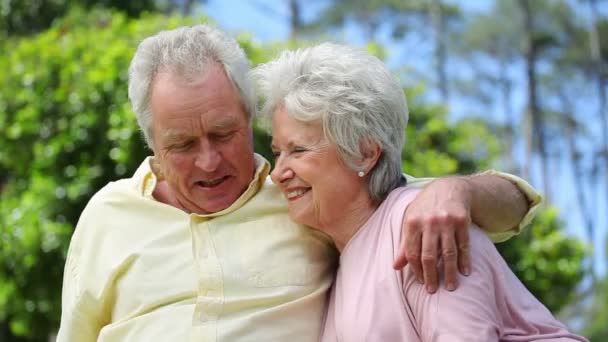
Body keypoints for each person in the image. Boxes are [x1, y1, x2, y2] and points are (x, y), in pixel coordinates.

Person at [57, 25, 540, 341]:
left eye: (224, 133)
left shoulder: (305, 200)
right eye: (182, 144)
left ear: (249, 119)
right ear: (153, 144)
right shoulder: (108, 215)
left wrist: (459, 189)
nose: (208, 161)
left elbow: (504, 205)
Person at [256, 42, 586, 341]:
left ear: (365, 154)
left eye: (298, 151)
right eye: (278, 151)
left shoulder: (423, 227)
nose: (280, 172)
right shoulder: (343, 251)